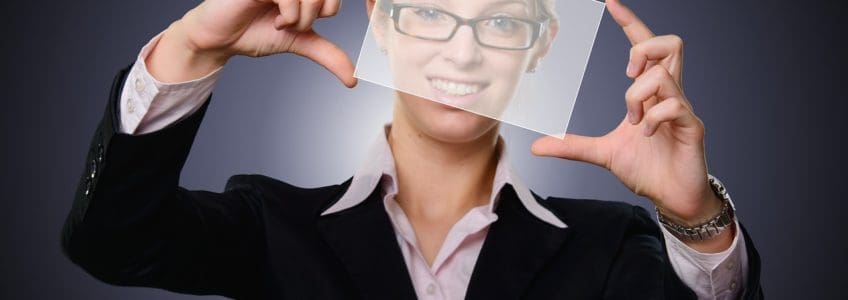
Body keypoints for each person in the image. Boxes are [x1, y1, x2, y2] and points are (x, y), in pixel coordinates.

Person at [61, 0, 763, 299]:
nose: (463, 50)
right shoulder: (270, 226)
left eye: (502, 23)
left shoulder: (612, 246)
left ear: (541, 46)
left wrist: (694, 215)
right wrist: (192, 46)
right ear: (381, 23)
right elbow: (112, 241)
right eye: (429, 12)